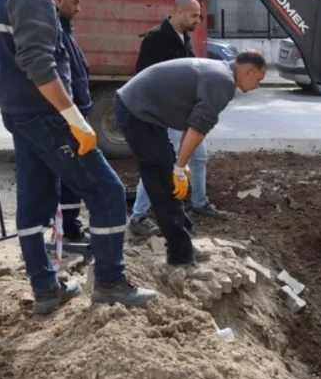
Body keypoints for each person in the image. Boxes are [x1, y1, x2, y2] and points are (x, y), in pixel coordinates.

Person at [0, 0, 157, 314]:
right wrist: (74, 119)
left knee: (34, 197)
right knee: (107, 191)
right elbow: (38, 62)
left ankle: (46, 288)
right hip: (46, 114)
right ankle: (111, 282)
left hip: (19, 112)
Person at [113, 50, 266, 267]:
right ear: (248, 71)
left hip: (142, 111)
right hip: (137, 111)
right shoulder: (223, 81)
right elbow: (197, 128)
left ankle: (184, 243)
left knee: (165, 174)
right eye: (258, 80)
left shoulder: (220, 71)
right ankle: (180, 257)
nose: (257, 86)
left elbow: (191, 122)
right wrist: (179, 167)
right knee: (162, 181)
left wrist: (180, 164)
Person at [127, 0, 228, 238]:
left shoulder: (183, 37)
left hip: (182, 112)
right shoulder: (155, 39)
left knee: (199, 156)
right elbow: (143, 77)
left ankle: (200, 202)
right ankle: (138, 216)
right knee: (159, 164)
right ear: (179, 12)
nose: (197, 20)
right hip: (164, 114)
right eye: (194, 15)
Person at [48, 0, 90, 244]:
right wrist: (72, 116)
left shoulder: (63, 29)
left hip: (76, 114)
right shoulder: (54, 30)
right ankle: (68, 229)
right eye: (74, 2)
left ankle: (69, 226)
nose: (78, 8)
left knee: (73, 177)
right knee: (70, 177)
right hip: (68, 118)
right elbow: (61, 79)